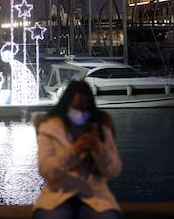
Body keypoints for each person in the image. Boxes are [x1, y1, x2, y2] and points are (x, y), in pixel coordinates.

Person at [32, 80, 122, 219]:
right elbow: (45, 170)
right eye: (75, 107)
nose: (79, 112)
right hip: (59, 194)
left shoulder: (101, 128)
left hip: (95, 194)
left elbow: (112, 170)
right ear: (66, 105)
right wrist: (73, 151)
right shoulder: (50, 130)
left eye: (83, 108)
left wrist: (99, 150)